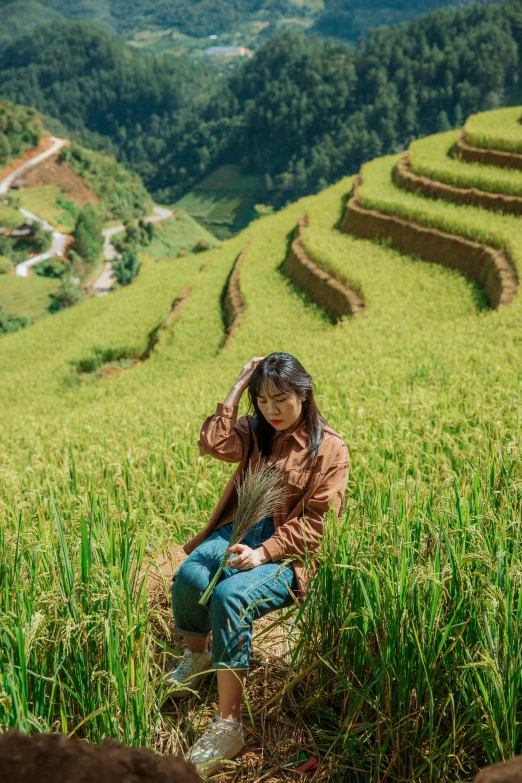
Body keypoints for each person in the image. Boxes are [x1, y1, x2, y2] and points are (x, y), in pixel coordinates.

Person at [169, 352, 350, 777]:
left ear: (304, 394)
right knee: (190, 576)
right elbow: (213, 443)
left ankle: (228, 726)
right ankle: (197, 658)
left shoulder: (330, 449)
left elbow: (319, 524)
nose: (272, 410)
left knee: (230, 597)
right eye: (263, 401)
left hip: (287, 552)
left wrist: (264, 553)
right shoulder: (254, 431)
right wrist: (236, 387)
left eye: (281, 399)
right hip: (240, 530)